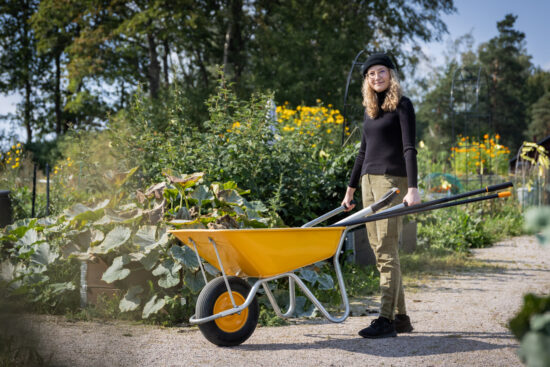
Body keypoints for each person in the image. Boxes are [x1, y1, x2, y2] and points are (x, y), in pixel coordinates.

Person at [341, 53, 421, 339]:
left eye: (381, 72)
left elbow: (409, 148)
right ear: (367, 79)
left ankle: (385, 319)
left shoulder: (402, 105)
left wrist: (413, 187)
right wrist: (350, 189)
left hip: (392, 182)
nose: (377, 77)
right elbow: (363, 152)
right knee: (380, 251)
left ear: (391, 74)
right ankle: (401, 318)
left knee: (386, 252)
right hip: (367, 182)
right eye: (371, 73)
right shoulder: (370, 110)